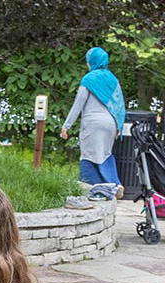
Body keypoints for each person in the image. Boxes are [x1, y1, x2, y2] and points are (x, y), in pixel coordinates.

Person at [58, 47, 125, 186]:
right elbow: (119, 105)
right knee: (105, 154)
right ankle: (113, 185)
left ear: (92, 61)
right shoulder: (113, 79)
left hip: (92, 123)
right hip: (110, 123)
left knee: (88, 156)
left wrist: (66, 126)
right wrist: (119, 126)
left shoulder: (89, 79)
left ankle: (91, 188)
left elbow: (78, 103)